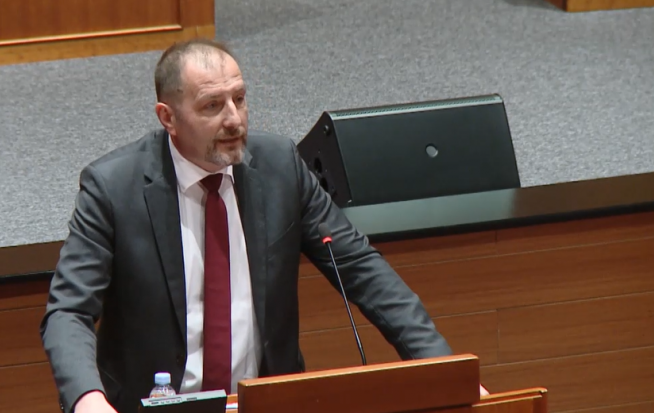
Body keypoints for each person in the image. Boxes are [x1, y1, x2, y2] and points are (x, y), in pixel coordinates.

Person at [40, 38, 484, 413]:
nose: (234, 119)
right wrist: (89, 400)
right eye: (212, 105)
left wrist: (445, 370)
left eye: (239, 98)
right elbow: (68, 311)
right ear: (167, 118)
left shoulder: (279, 168)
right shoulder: (113, 188)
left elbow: (362, 269)